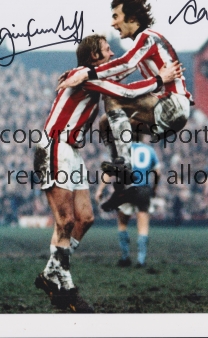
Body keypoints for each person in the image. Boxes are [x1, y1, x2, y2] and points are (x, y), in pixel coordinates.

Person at [33, 34, 180, 313]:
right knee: (65, 221)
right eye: (107, 49)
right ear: (94, 57)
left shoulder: (86, 76)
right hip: (56, 145)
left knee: (85, 219)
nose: (112, 53)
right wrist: (160, 78)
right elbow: (125, 89)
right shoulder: (82, 75)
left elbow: (120, 80)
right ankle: (65, 285)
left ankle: (52, 271)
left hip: (71, 152)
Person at [57, 0, 193, 194]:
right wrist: (80, 72)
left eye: (115, 16)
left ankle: (125, 165)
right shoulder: (143, 45)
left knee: (113, 98)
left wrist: (86, 73)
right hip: (169, 112)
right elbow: (122, 71)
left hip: (171, 104)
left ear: (132, 18)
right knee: (105, 123)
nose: (113, 23)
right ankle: (122, 182)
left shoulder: (147, 37)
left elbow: (124, 64)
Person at [95, 135, 160, 268]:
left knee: (122, 223)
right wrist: (154, 188)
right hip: (143, 189)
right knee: (143, 225)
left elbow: (109, 172)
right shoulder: (150, 150)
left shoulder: (122, 150)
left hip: (126, 188)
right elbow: (157, 172)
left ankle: (125, 257)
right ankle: (141, 260)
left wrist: (100, 189)